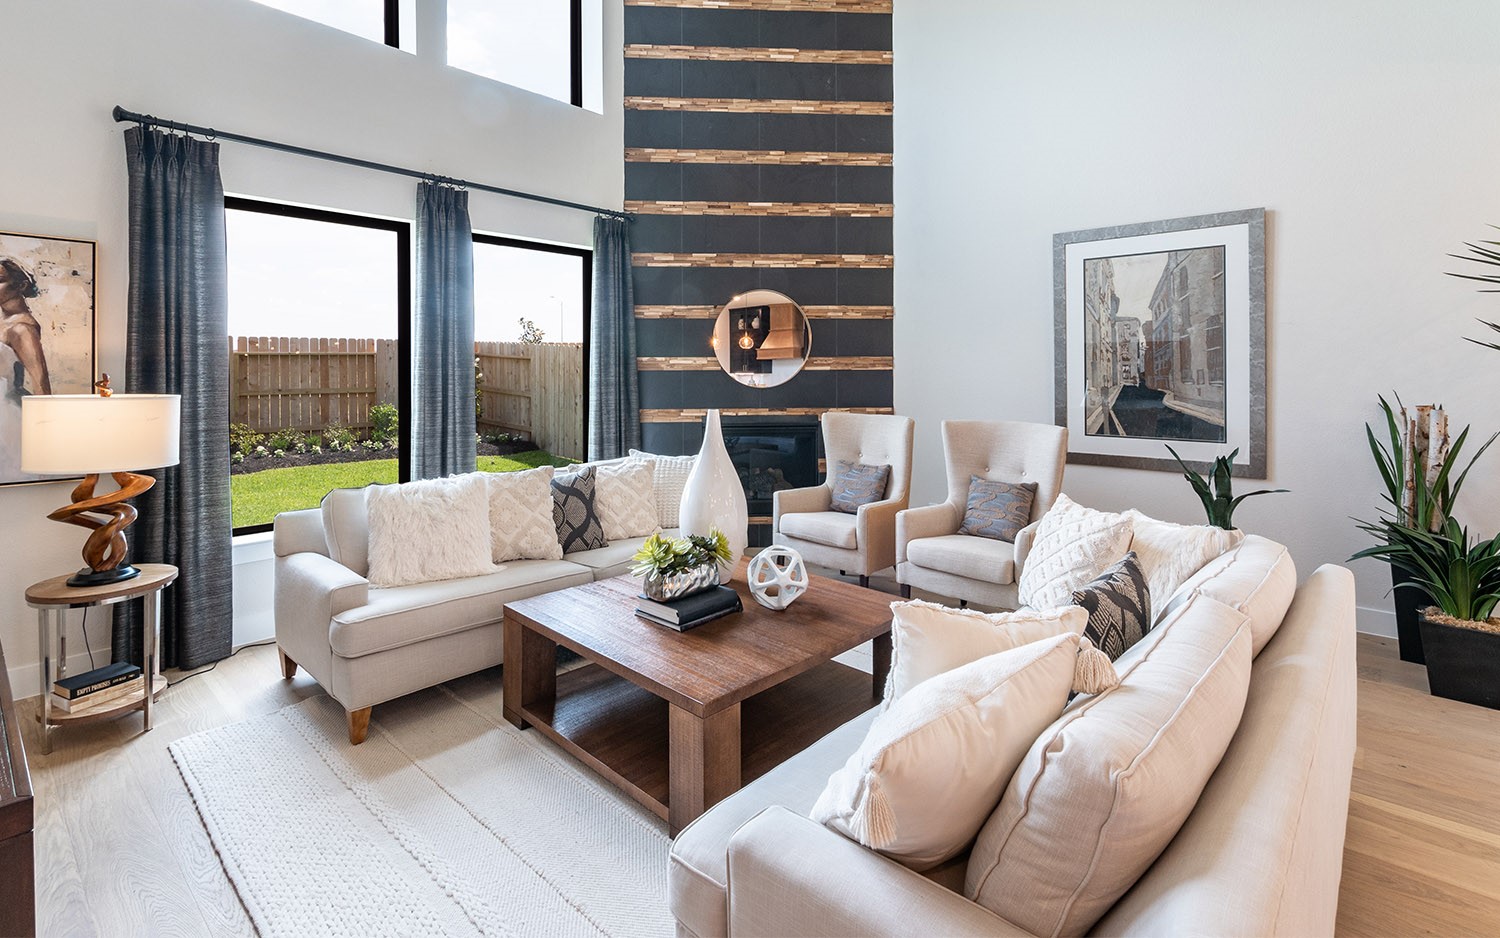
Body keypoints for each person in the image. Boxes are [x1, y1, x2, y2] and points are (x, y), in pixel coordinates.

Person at [0, 256, 50, 401]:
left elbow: (41, 387)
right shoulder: (5, 323)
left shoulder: (22, 330)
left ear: (21, 286)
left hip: (8, 413)